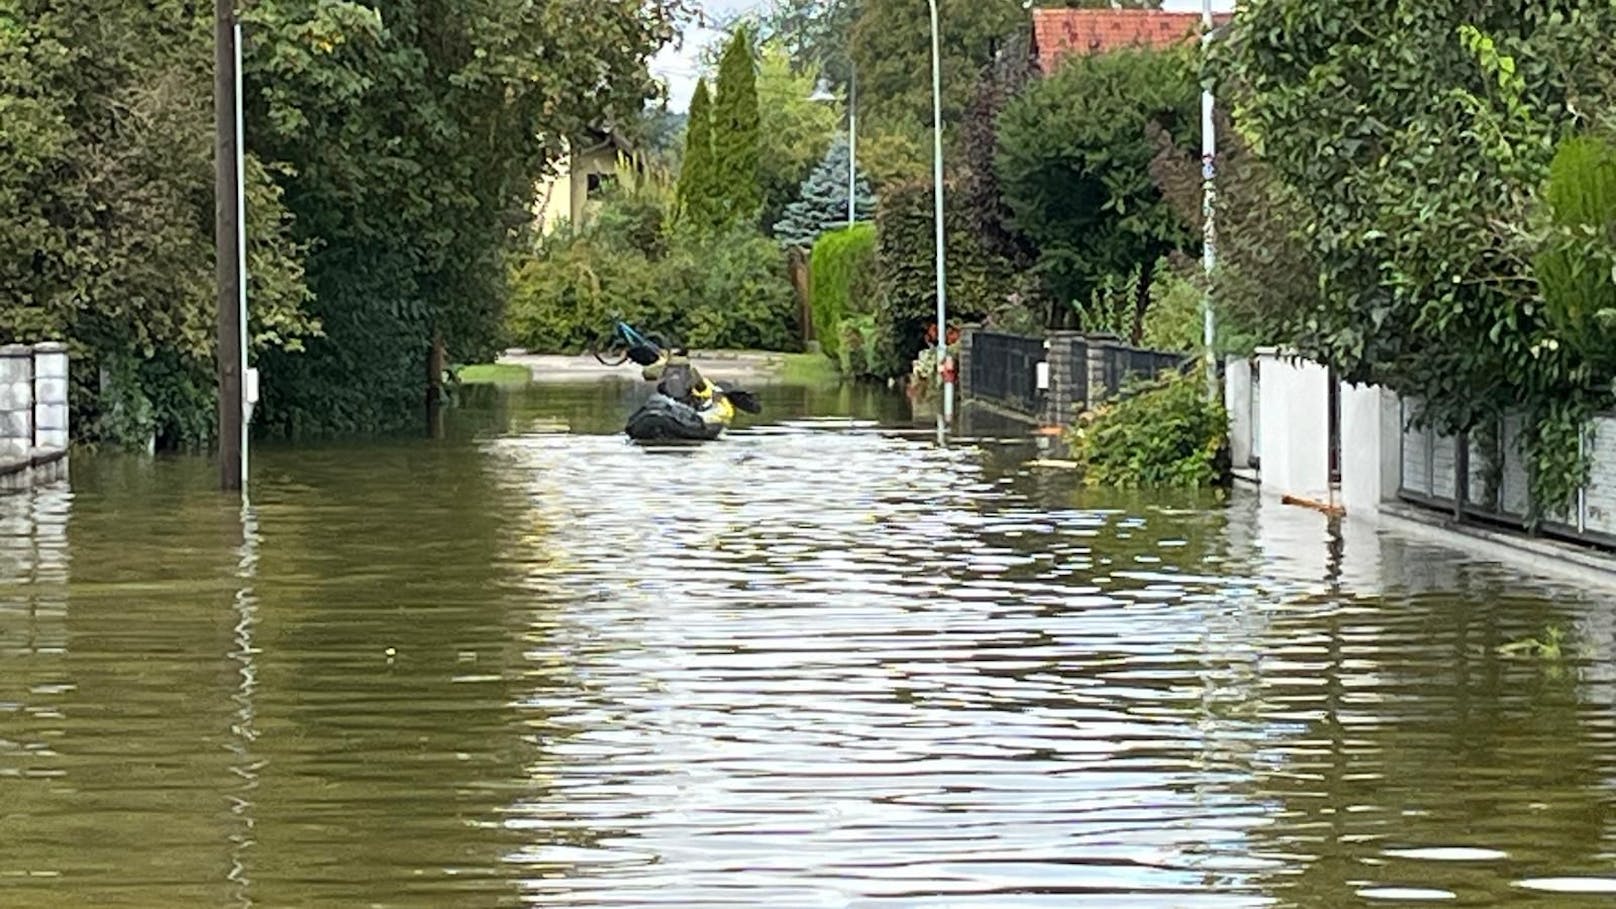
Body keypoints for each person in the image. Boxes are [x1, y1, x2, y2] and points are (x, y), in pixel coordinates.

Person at [641, 347, 714, 410]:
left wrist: (659, 363)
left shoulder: (664, 367)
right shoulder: (690, 369)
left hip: (666, 401)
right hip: (685, 401)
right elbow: (701, 387)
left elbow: (646, 373)